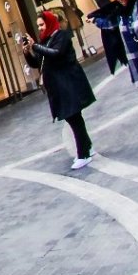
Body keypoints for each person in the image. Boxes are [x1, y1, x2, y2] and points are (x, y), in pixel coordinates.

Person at [20, 10, 97, 169]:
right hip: (59, 86)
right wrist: (27, 52)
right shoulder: (46, 39)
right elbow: (37, 63)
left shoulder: (61, 36)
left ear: (49, 23)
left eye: (42, 24)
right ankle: (87, 147)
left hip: (68, 83)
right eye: (38, 26)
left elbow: (56, 54)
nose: (40, 28)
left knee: (73, 117)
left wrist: (35, 45)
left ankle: (83, 154)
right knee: (73, 118)